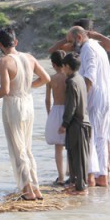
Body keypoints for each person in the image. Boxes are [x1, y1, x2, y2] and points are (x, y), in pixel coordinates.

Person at [0, 27, 50, 201]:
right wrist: (28, 87)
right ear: (15, 42)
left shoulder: (4, 62)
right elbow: (46, 78)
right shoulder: (29, 58)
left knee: (18, 149)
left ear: (0, 45)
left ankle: (27, 189)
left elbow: (5, 89)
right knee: (27, 147)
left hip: (14, 104)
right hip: (28, 102)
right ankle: (35, 187)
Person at [65, 26, 110, 187]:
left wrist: (79, 101)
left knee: (89, 137)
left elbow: (89, 78)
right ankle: (103, 176)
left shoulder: (88, 49)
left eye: (72, 42)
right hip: (106, 97)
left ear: (79, 37)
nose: (71, 46)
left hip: (95, 98)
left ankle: (91, 177)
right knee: (102, 137)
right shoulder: (98, 47)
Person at [58, 53, 91, 195]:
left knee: (78, 157)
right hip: (83, 122)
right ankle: (77, 184)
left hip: (77, 124)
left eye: (63, 66)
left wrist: (64, 124)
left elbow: (71, 105)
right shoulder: (80, 79)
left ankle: (81, 187)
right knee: (77, 155)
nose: (62, 69)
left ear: (67, 66)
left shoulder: (71, 82)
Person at [45, 50, 67, 185]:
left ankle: (61, 177)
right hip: (68, 111)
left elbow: (47, 100)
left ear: (53, 64)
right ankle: (71, 172)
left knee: (58, 148)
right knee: (70, 145)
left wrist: (49, 114)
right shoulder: (69, 77)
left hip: (56, 110)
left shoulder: (50, 79)